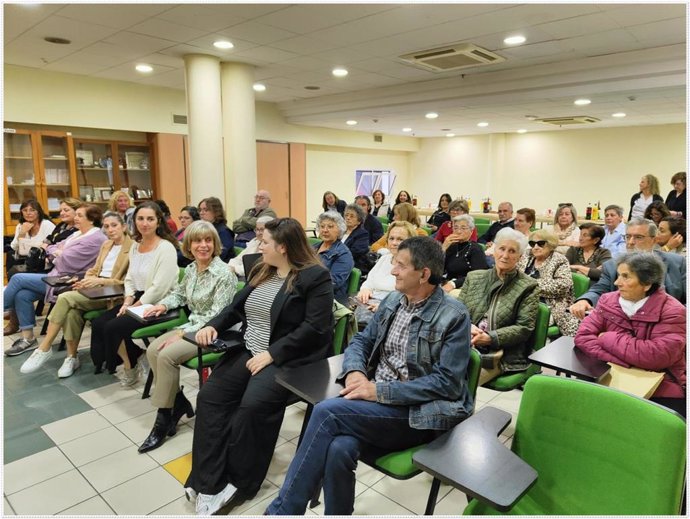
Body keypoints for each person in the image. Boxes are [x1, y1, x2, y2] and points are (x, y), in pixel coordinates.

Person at [266, 236, 473, 515]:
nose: (392, 271)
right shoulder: (394, 301)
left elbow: (446, 383)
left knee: (327, 412)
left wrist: (378, 391)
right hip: (377, 404)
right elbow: (362, 341)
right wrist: (354, 372)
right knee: (340, 448)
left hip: (418, 414)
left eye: (400, 265)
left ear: (424, 274)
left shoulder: (454, 315)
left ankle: (282, 511)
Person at [184, 218, 334, 515]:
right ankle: (207, 480)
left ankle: (240, 482)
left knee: (252, 408)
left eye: (264, 242)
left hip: (289, 358)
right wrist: (212, 326)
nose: (258, 246)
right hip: (250, 348)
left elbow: (315, 328)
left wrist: (272, 353)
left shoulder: (315, 277)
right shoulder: (263, 270)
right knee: (210, 397)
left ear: (283, 246)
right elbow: (236, 308)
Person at [139, 221, 237, 453]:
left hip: (212, 331)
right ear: (189, 245)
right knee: (153, 350)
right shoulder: (192, 269)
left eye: (208, 240)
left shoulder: (224, 274)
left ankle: (164, 419)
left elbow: (219, 314)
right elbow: (179, 294)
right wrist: (162, 305)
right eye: (197, 241)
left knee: (165, 356)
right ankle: (179, 401)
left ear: (215, 244)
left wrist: (183, 334)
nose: (203, 245)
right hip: (192, 326)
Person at [15, 212, 132, 375]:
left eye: (114, 225)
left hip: (112, 293)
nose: (110, 229)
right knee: (71, 313)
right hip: (94, 288)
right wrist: (88, 279)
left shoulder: (132, 247)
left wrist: (99, 281)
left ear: (124, 227)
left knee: (64, 298)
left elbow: (128, 282)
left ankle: (44, 348)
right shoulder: (106, 245)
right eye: (106, 226)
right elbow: (94, 269)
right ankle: (71, 357)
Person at [575, 253, 686, 417]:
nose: (616, 282)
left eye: (625, 277)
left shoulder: (673, 311)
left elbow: (657, 356)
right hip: (611, 375)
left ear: (647, 284)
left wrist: (606, 338)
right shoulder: (608, 300)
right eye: (619, 275)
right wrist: (628, 361)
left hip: (660, 385)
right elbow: (583, 337)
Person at [89, 201, 179, 381]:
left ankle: (130, 366)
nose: (145, 223)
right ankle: (136, 355)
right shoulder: (135, 246)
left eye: (150, 219)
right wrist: (128, 300)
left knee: (113, 326)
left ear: (158, 222)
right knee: (99, 322)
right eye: (141, 219)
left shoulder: (165, 248)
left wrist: (136, 305)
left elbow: (159, 287)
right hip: (137, 297)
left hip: (160, 301)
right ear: (135, 221)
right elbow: (130, 278)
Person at [4, 204, 106, 357]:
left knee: (18, 278)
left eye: (79, 215)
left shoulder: (95, 238)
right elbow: (53, 248)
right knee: (22, 295)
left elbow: (66, 262)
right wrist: (56, 252)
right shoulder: (77, 234)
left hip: (70, 281)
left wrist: (55, 253)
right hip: (56, 276)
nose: (75, 218)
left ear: (91, 219)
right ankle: (28, 338)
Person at [458, 228, 539, 385]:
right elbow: (457, 313)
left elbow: (524, 328)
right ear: (494, 250)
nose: (505, 255)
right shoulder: (474, 277)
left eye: (512, 251)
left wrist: (489, 338)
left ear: (520, 257)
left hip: (500, 353)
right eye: (502, 249)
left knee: (460, 383)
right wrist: (468, 327)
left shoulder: (528, 286)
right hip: (463, 343)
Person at [569, 217, 686, 319]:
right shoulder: (612, 266)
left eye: (638, 237)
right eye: (628, 236)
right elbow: (599, 290)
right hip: (625, 322)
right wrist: (585, 300)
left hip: (668, 321)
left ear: (654, 240)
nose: (630, 242)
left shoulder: (677, 263)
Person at [518, 229, 578, 337]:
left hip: (550, 304)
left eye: (540, 243)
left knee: (520, 319)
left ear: (550, 244)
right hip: (523, 300)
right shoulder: (527, 256)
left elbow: (563, 285)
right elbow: (514, 275)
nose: (535, 247)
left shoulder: (559, 260)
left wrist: (529, 285)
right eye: (532, 244)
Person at [354, 221, 416, 326]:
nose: (394, 243)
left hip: (393, 308)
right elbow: (369, 281)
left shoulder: (413, 265)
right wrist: (365, 289)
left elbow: (410, 297)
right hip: (370, 301)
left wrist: (385, 306)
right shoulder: (385, 258)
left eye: (400, 239)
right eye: (391, 238)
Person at [313, 211, 354, 305]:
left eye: (330, 226)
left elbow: (332, 283)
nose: (325, 230)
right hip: (310, 291)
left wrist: (305, 283)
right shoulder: (314, 247)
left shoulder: (344, 254)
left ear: (340, 230)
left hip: (329, 298)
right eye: (322, 226)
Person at [7, 199, 56, 277]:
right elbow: (14, 247)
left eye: (32, 210)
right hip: (25, 261)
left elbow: (51, 247)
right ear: (21, 212)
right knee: (11, 260)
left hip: (43, 263)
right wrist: (22, 233)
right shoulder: (20, 226)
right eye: (25, 210)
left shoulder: (47, 225)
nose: (28, 213)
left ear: (39, 212)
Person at [442, 214, 488, 292]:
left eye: (463, 228)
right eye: (456, 228)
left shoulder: (475, 249)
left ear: (471, 231)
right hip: (447, 283)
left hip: (466, 287)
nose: (459, 231)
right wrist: (443, 248)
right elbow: (438, 269)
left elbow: (478, 276)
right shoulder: (450, 246)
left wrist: (454, 284)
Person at [199, 196, 235, 262]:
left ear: (216, 212)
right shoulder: (205, 229)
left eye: (205, 210)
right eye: (200, 210)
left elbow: (220, 254)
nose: (201, 213)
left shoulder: (224, 232)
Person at [342, 203, 371, 274]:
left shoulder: (363, 234)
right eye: (346, 215)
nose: (348, 218)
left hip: (352, 266)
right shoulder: (340, 231)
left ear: (359, 221)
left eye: (352, 216)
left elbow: (354, 253)